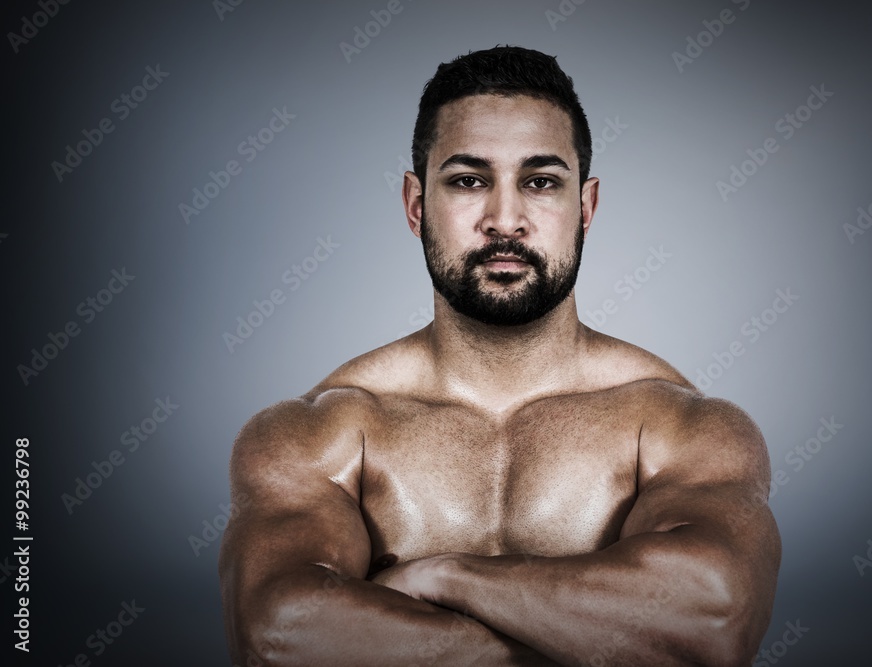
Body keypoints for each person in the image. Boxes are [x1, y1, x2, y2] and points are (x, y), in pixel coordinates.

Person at [219, 45, 780, 666]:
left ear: (585, 208)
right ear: (416, 205)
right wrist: (595, 636)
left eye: (540, 182)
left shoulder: (679, 427)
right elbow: (281, 635)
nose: (505, 219)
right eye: (468, 180)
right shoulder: (324, 431)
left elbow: (713, 621)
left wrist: (444, 579)